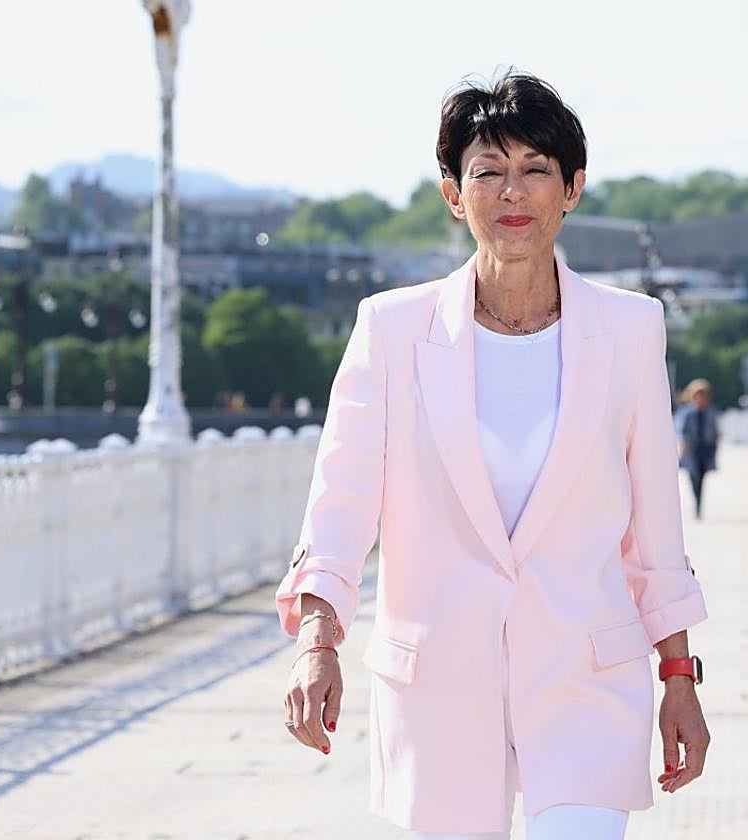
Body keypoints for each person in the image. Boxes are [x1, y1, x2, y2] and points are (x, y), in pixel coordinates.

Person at [276, 70, 710, 840]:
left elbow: (654, 530)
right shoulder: (391, 330)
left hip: (588, 682)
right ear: (454, 195)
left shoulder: (631, 330)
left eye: (537, 170)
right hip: (439, 689)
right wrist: (318, 642)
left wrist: (679, 674)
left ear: (572, 188)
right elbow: (341, 504)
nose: (514, 193)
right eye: (489, 172)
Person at [676, 379, 720, 519]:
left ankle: (699, 505)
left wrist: (714, 448)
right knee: (693, 477)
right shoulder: (687, 413)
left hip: (705, 451)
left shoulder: (711, 412)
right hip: (691, 450)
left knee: (701, 478)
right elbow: (681, 431)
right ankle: (696, 501)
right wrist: (683, 445)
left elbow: (715, 432)